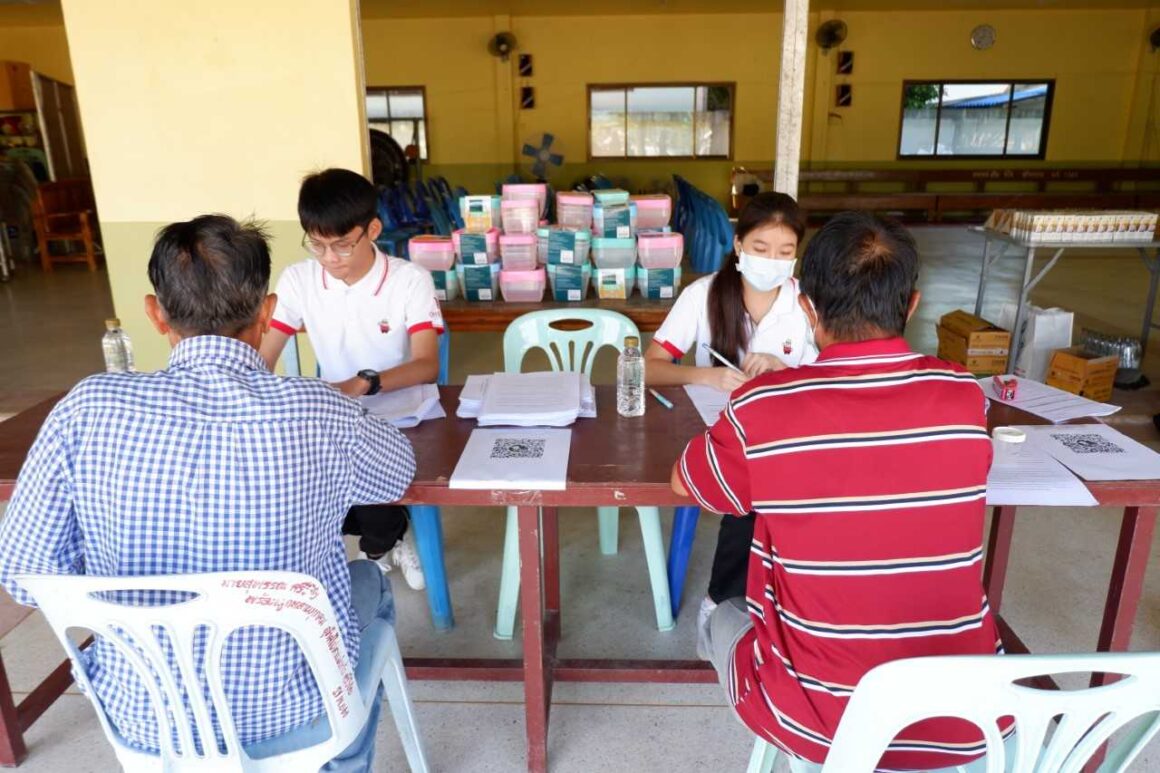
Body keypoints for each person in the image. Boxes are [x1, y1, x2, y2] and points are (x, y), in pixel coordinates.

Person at [0, 215, 415, 768]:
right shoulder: (316, 410)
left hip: (146, 717)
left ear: (154, 313)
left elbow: (26, 578)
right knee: (368, 581)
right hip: (291, 711)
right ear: (268, 312)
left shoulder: (86, 408)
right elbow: (395, 474)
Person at [673, 212, 1008, 770]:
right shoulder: (963, 397)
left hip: (819, 719)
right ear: (913, 304)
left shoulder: (765, 406)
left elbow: (689, 484)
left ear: (807, 308)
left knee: (719, 615)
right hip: (969, 715)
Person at [645, 192, 817, 649]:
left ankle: (775, 596)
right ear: (739, 246)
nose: (772, 261)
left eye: (785, 252)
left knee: (783, 475)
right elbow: (649, 366)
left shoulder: (807, 305)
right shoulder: (702, 295)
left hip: (784, 433)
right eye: (761, 249)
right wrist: (706, 374)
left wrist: (787, 372)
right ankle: (723, 598)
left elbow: (829, 379)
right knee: (753, 478)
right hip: (716, 429)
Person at [260, 168, 443, 589]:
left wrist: (362, 384)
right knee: (299, 491)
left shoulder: (408, 280)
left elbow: (426, 364)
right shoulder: (299, 280)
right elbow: (265, 355)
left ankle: (384, 542)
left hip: (398, 413)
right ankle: (383, 538)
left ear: (372, 229)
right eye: (318, 245)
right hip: (334, 414)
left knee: (369, 492)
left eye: (342, 245)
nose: (329, 258)